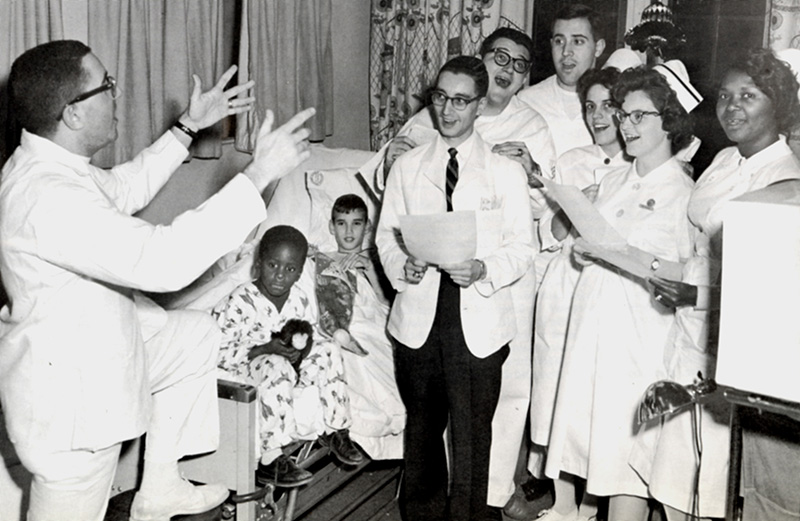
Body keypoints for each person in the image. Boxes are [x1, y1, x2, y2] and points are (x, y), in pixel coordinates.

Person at [0, 40, 314, 521]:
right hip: (73, 410)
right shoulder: (48, 195)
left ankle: (160, 488)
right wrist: (259, 174)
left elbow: (124, 186)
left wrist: (187, 127)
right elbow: (164, 260)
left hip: (95, 357)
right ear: (73, 114)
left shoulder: (53, 167)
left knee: (194, 335)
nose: (117, 91)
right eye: (105, 85)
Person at [373, 27, 555, 511]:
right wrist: (403, 266)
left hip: (478, 315)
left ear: (479, 105)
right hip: (420, 317)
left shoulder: (505, 171)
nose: (448, 110)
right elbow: (385, 236)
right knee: (422, 432)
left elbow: (522, 247)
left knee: (474, 437)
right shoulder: (409, 166)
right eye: (441, 98)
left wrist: (483, 269)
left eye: (460, 101)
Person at [631, 47, 800, 521]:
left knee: (712, 481)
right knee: (673, 474)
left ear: (778, 103)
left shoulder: (786, 180)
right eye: (725, 96)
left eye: (748, 95)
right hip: (688, 328)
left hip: (731, 345)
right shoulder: (725, 158)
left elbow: (770, 293)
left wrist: (697, 296)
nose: (731, 107)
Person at [543, 65, 697, 521]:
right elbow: (587, 247)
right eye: (622, 115)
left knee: (626, 460)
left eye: (638, 116)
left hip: (639, 340)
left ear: (669, 121)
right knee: (594, 451)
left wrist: (625, 255)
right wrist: (585, 252)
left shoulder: (684, 193)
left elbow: (689, 276)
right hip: (592, 331)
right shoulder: (612, 180)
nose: (625, 125)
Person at [528, 66, 630, 521]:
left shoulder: (638, 167)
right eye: (590, 107)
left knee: (594, 403)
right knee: (555, 396)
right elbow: (549, 234)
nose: (598, 116)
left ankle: (590, 507)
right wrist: (574, 206)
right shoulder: (570, 160)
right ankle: (564, 503)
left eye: (608, 106)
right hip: (563, 286)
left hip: (609, 291)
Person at [212, 225, 365, 488]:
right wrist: (265, 349)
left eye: (290, 269)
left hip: (290, 366)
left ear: (299, 272)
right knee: (276, 364)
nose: (280, 275)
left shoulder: (299, 299)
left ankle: (336, 429)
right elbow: (218, 353)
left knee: (329, 349)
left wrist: (302, 351)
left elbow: (307, 332)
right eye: (273, 265)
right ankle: (271, 459)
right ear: (259, 263)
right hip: (249, 364)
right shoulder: (239, 301)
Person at [312, 193, 405, 459]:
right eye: (341, 224)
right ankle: (362, 422)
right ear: (331, 227)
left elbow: (389, 307)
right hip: (346, 327)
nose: (349, 231)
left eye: (356, 223)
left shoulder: (379, 263)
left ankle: (385, 417)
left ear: (367, 227)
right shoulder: (324, 260)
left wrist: (370, 270)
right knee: (346, 356)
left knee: (374, 356)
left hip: (376, 327)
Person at [518, 4, 606, 157]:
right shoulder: (526, 101)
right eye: (559, 41)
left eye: (577, 41)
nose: (566, 52)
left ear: (598, 48)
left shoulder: (615, 102)